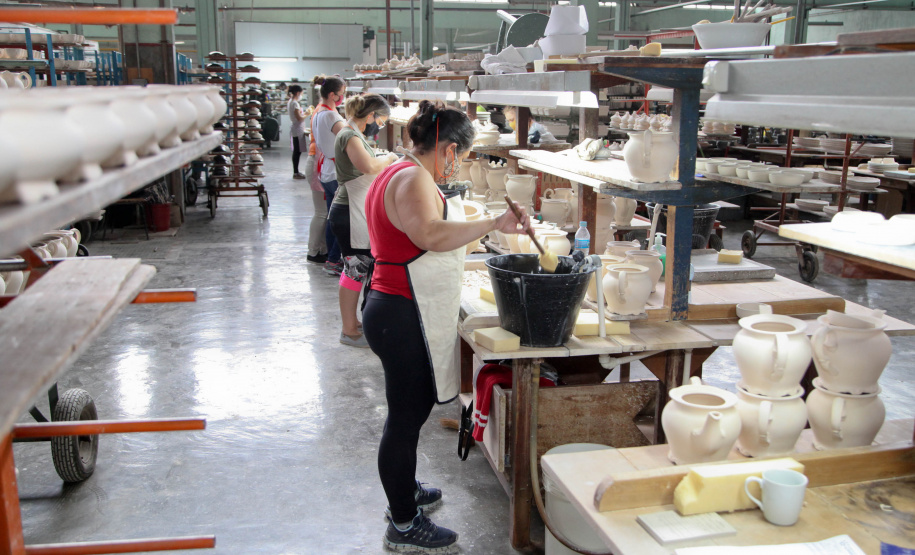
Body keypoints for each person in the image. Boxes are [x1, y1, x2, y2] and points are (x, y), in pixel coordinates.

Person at [362, 100, 529, 553]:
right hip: (401, 309)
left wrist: (481, 226)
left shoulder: (396, 170)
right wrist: (494, 222)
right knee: (404, 419)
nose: (456, 165)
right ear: (448, 148)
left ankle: (405, 491)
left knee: (409, 413)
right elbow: (430, 235)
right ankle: (402, 522)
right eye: (460, 155)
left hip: (392, 305)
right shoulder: (415, 178)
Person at [329, 93, 398, 348]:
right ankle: (348, 331)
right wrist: (389, 158)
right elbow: (368, 166)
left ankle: (353, 323)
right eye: (380, 121)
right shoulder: (349, 135)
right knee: (355, 268)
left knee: (356, 267)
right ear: (370, 116)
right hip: (349, 211)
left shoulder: (353, 134)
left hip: (354, 209)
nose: (379, 126)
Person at [310, 76, 347, 275]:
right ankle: (334, 260)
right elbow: (348, 137)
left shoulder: (319, 113)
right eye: (342, 94)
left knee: (333, 218)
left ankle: (331, 259)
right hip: (336, 172)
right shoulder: (331, 116)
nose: (343, 97)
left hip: (327, 172)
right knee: (343, 221)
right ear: (333, 95)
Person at [303, 76, 330, 265]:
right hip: (316, 164)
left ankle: (321, 249)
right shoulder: (324, 113)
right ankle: (313, 251)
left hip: (317, 162)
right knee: (321, 212)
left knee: (323, 212)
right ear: (333, 94)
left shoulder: (322, 110)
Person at [288, 85, 308, 180]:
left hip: (296, 128)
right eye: (301, 93)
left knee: (297, 151)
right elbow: (299, 118)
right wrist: (307, 114)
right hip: (297, 128)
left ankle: (296, 172)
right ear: (297, 93)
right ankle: (296, 172)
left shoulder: (291, 102)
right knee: (297, 151)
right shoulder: (294, 103)